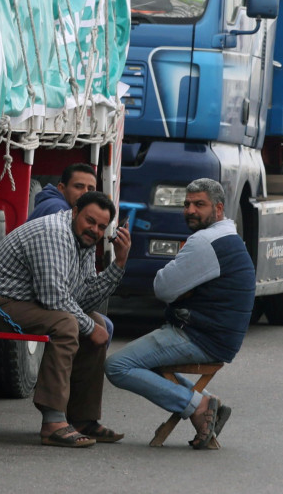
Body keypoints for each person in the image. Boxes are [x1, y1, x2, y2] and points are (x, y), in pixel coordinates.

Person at [0, 191, 131, 448]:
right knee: (68, 324)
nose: (94, 230)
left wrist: (119, 262)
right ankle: (53, 423)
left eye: (101, 226)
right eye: (89, 221)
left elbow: (83, 299)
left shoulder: (84, 241)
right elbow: (55, 298)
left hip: (24, 303)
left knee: (97, 322)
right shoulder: (54, 234)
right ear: (74, 212)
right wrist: (89, 327)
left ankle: (83, 419)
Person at [105, 178, 256, 450]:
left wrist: (181, 285)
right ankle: (209, 403)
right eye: (187, 204)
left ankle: (199, 405)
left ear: (219, 209)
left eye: (200, 204)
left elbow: (162, 288)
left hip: (201, 336)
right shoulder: (228, 236)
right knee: (142, 361)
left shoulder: (205, 242)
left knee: (117, 366)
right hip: (218, 335)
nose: (190, 210)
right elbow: (175, 289)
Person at [28, 163, 98, 220]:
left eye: (90, 189)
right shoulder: (58, 209)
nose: (85, 192)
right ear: (61, 188)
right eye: (78, 187)